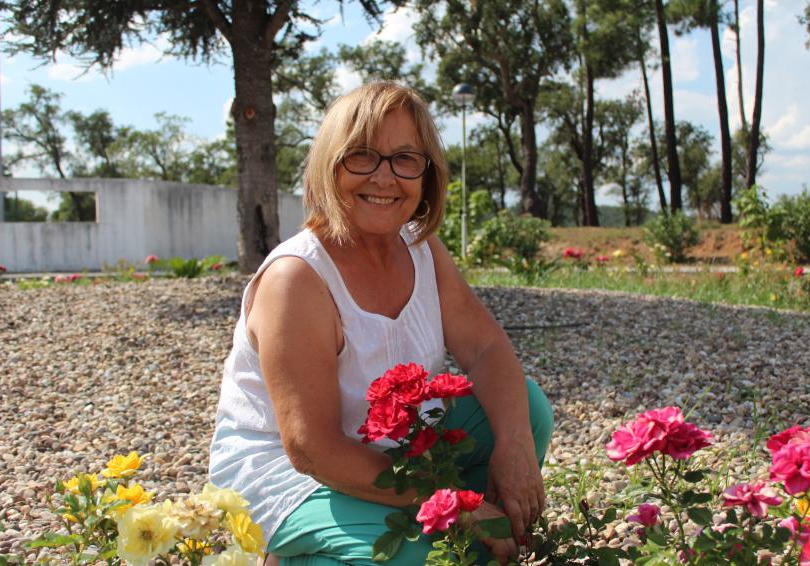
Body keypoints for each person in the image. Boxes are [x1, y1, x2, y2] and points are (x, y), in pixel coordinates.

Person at [209, 81, 553, 566]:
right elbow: (313, 450)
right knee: (435, 559)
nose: (384, 177)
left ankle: (462, 533)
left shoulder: (422, 248)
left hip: (393, 450)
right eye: (362, 156)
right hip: (292, 478)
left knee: (527, 409)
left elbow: (486, 350)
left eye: (405, 158)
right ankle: (292, 553)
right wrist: (456, 503)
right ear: (330, 166)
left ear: (426, 173)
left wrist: (515, 446)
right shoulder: (298, 279)